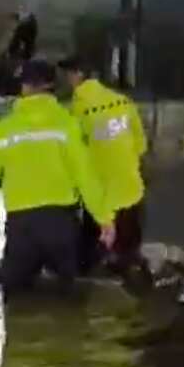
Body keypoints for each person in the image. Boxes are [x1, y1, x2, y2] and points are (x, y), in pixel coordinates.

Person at [0, 58, 115, 290]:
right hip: (60, 223)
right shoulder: (67, 124)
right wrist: (104, 219)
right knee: (69, 299)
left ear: (25, 88)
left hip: (21, 225)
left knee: (16, 299)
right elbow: (85, 175)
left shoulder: (4, 128)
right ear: (52, 87)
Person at [60, 55, 148, 275]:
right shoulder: (123, 102)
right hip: (131, 192)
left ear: (78, 75)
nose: (66, 79)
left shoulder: (76, 111)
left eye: (68, 74)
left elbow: (72, 156)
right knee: (129, 257)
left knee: (93, 260)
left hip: (101, 200)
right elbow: (140, 146)